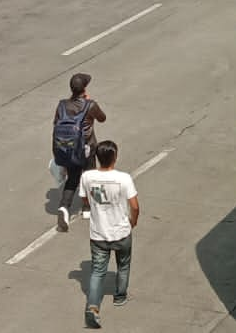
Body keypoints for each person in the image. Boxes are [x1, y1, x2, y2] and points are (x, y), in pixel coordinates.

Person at [81, 140, 139, 329]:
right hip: (121, 232)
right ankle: (120, 296)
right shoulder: (124, 179)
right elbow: (135, 206)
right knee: (123, 264)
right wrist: (133, 221)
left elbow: (85, 199)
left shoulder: (88, 177)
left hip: (98, 233)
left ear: (97, 158)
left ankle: (93, 307)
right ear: (115, 157)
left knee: (98, 271)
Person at [53, 72, 107, 233]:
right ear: (84, 89)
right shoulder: (90, 105)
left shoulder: (62, 104)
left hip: (68, 147)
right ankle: (89, 209)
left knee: (73, 178)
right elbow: (102, 118)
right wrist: (89, 102)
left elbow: (56, 123)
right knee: (91, 175)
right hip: (87, 146)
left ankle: (64, 207)